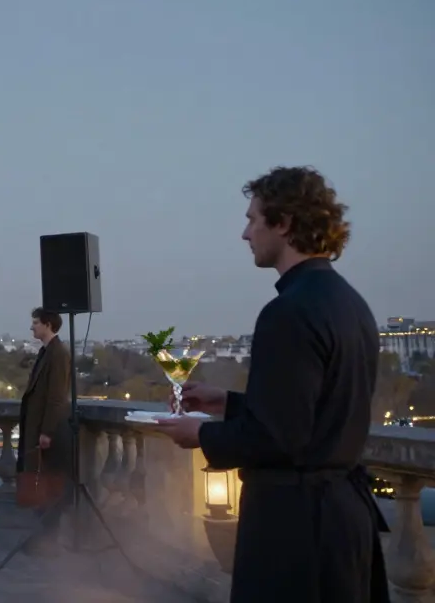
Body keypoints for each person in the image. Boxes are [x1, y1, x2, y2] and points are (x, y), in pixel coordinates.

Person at [157, 166, 390, 603]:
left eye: (252, 219)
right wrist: (229, 402)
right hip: (342, 521)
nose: (246, 234)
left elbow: (280, 437)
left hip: (297, 531)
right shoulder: (350, 303)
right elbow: (311, 412)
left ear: (283, 223)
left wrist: (201, 433)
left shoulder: (288, 312)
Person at [15, 307, 72, 556]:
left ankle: (46, 540)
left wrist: (46, 431)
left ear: (48, 325)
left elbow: (57, 397)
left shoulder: (57, 354)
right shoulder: (49, 352)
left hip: (47, 432)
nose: (32, 327)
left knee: (48, 487)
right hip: (40, 428)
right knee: (44, 486)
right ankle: (43, 538)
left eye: (36, 323)